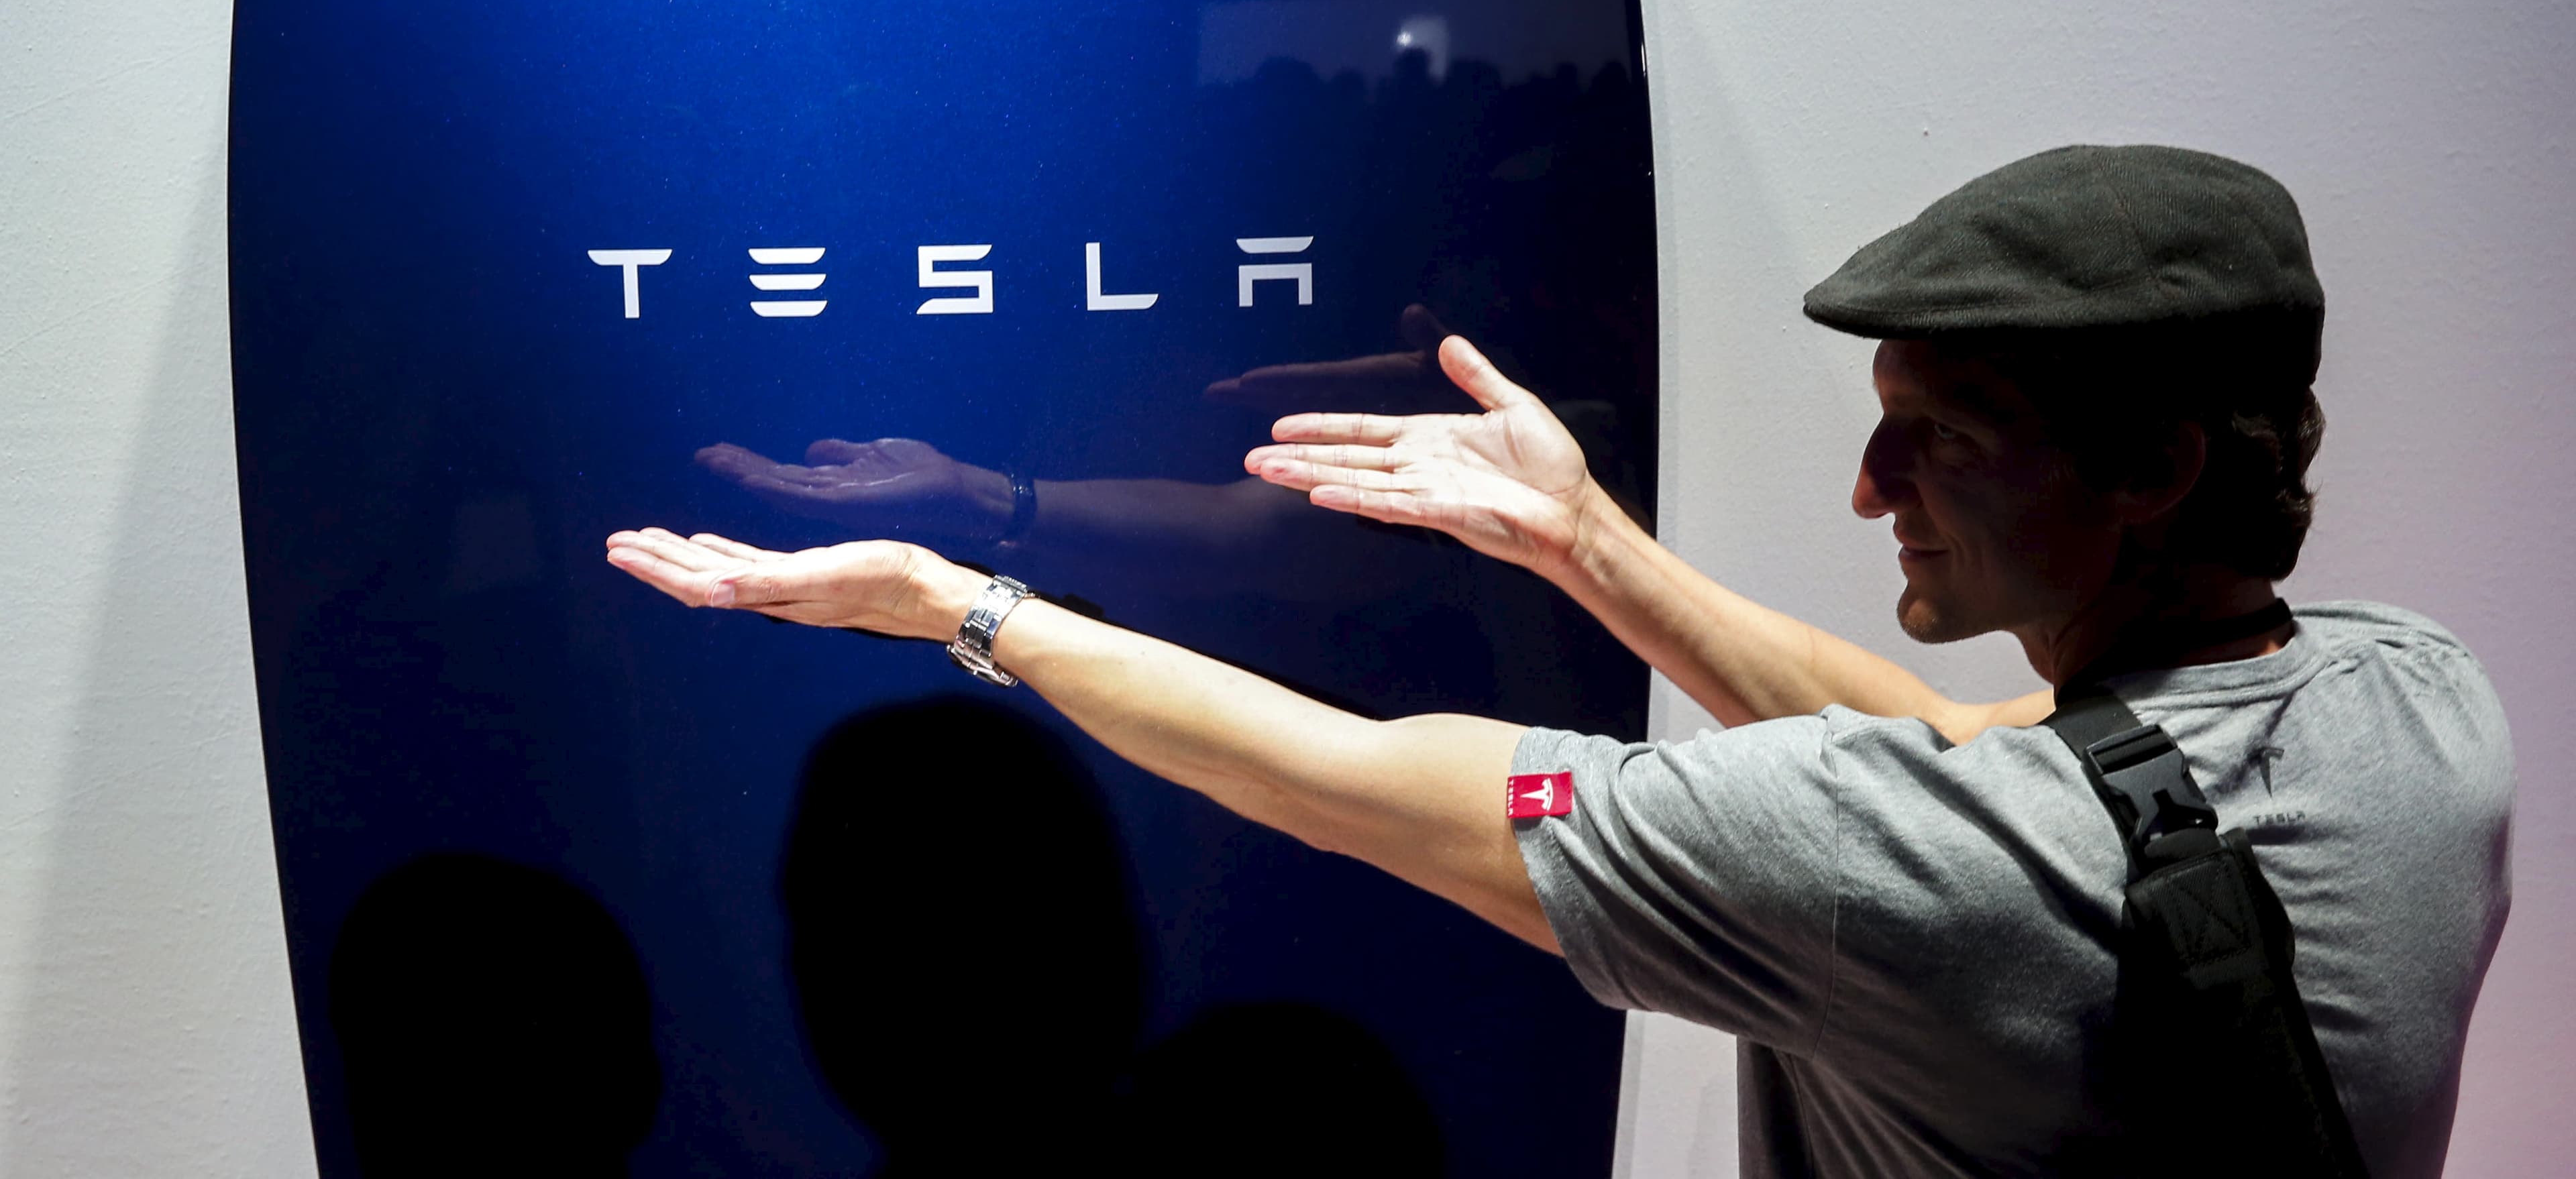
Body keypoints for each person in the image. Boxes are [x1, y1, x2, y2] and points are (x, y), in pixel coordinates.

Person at [605, 144, 2512, 1177]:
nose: (1871, 489)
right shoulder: (2414, 699)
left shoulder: (1884, 865)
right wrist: (1586, 544)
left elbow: (1338, 784)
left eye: (1943, 429)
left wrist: (958, 604)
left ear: (2159, 466)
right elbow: (2016, 768)